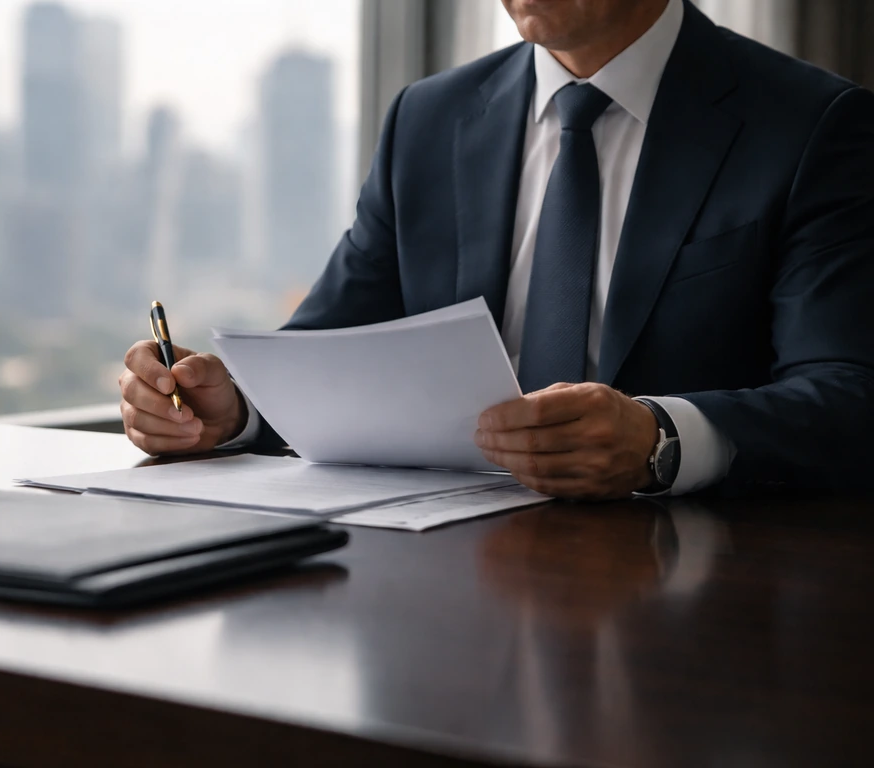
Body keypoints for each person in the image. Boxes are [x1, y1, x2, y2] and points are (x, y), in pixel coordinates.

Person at [119, 0, 874, 499]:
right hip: (442, 585)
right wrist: (233, 409)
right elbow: (332, 353)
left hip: (700, 594)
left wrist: (660, 438)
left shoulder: (813, 125)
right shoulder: (430, 118)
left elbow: (847, 394)